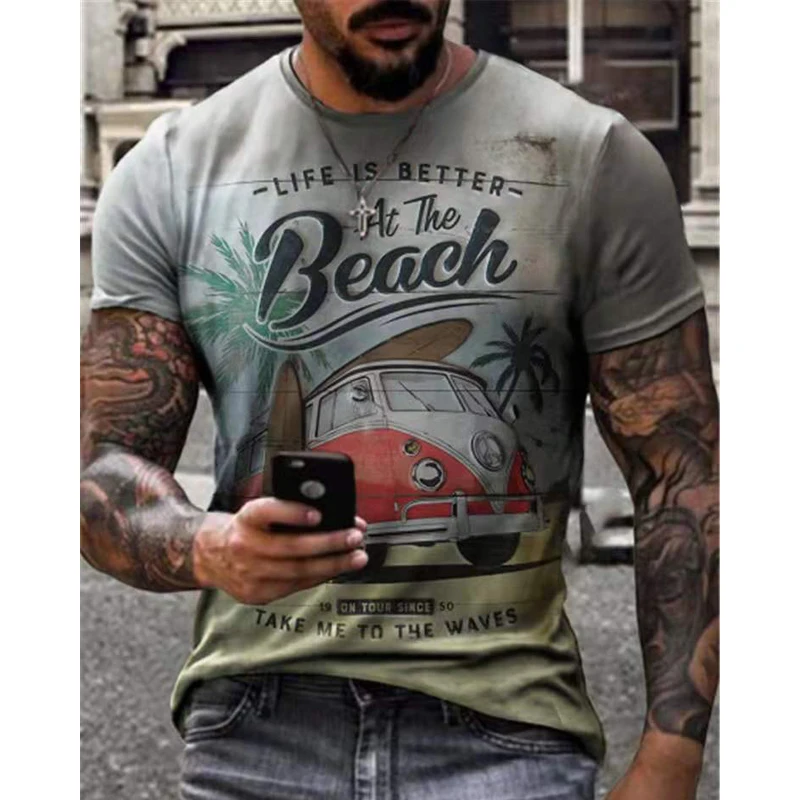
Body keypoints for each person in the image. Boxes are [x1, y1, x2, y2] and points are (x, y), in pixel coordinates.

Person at [79, 1, 719, 798]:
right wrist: (211, 547)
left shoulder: (592, 155)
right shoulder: (173, 169)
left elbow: (681, 475)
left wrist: (669, 760)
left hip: (508, 729)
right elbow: (105, 471)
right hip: (256, 725)